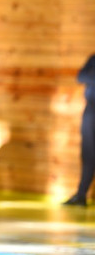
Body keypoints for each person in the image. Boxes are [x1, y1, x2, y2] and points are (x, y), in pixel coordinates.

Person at [64, 54, 95, 207]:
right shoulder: (94, 58)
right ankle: (81, 195)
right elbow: (81, 76)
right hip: (91, 110)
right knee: (88, 154)